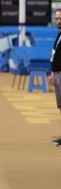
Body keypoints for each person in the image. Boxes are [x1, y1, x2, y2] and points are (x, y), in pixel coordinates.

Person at [50, 9, 61, 146]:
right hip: (57, 73)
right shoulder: (58, 35)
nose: (59, 21)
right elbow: (55, 55)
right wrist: (52, 72)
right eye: (57, 18)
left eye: (60, 18)